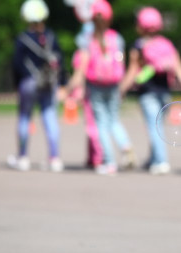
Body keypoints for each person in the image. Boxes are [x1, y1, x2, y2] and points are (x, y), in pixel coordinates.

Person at [120, 6, 181, 175]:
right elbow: (179, 67)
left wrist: (121, 90)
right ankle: (153, 158)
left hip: (147, 93)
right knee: (158, 125)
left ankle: (161, 162)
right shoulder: (166, 44)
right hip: (164, 93)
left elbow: (133, 71)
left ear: (140, 25)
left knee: (153, 127)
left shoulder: (139, 45)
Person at [66, 0, 136, 176]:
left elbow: (82, 66)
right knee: (114, 120)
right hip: (113, 85)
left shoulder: (88, 40)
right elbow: (121, 63)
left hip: (95, 86)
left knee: (101, 125)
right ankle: (125, 146)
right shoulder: (117, 38)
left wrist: (71, 85)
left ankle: (110, 162)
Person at [9, 0, 66, 172]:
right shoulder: (50, 36)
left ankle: (23, 156)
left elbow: (16, 64)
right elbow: (60, 61)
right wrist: (62, 82)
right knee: (50, 117)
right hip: (48, 82)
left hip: (28, 82)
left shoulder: (23, 38)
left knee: (25, 118)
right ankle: (54, 158)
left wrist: (16, 84)